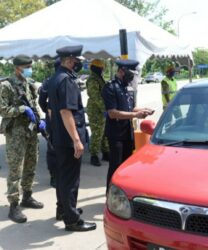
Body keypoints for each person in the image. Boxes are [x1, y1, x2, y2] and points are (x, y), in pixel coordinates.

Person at [48, 45, 96, 232]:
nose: (79, 64)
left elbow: (53, 111)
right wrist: (76, 140)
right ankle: (72, 220)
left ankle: (64, 209)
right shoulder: (66, 80)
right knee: (70, 179)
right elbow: (66, 111)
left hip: (60, 136)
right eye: (77, 61)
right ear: (69, 60)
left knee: (62, 177)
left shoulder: (55, 78)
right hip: (68, 139)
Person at [0, 55, 45, 223]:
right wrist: (21, 109)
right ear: (17, 67)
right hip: (16, 133)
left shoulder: (29, 83)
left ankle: (27, 196)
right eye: (26, 66)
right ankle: (13, 205)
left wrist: (40, 120)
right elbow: (3, 110)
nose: (29, 69)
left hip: (30, 132)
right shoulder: (6, 85)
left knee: (31, 164)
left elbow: (34, 105)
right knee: (15, 169)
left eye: (30, 66)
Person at [102, 59, 154, 192]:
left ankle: (123, 195)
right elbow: (112, 113)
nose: (132, 77)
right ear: (121, 71)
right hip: (116, 134)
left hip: (127, 132)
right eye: (130, 73)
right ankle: (111, 195)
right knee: (116, 166)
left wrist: (143, 110)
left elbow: (131, 108)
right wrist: (136, 115)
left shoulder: (127, 87)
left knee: (127, 166)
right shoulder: (110, 87)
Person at [38, 59, 61, 187]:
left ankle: (56, 175)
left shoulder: (50, 80)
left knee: (54, 147)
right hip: (55, 119)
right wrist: (47, 110)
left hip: (55, 117)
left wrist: (47, 109)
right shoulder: (51, 81)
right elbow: (42, 99)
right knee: (53, 148)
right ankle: (54, 175)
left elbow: (42, 100)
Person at [86, 59, 109, 167]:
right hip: (95, 109)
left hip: (100, 109)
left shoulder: (98, 78)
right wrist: (104, 109)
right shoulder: (92, 79)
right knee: (97, 133)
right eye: (101, 68)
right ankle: (94, 156)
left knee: (104, 132)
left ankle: (105, 152)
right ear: (96, 68)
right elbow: (95, 96)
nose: (102, 70)